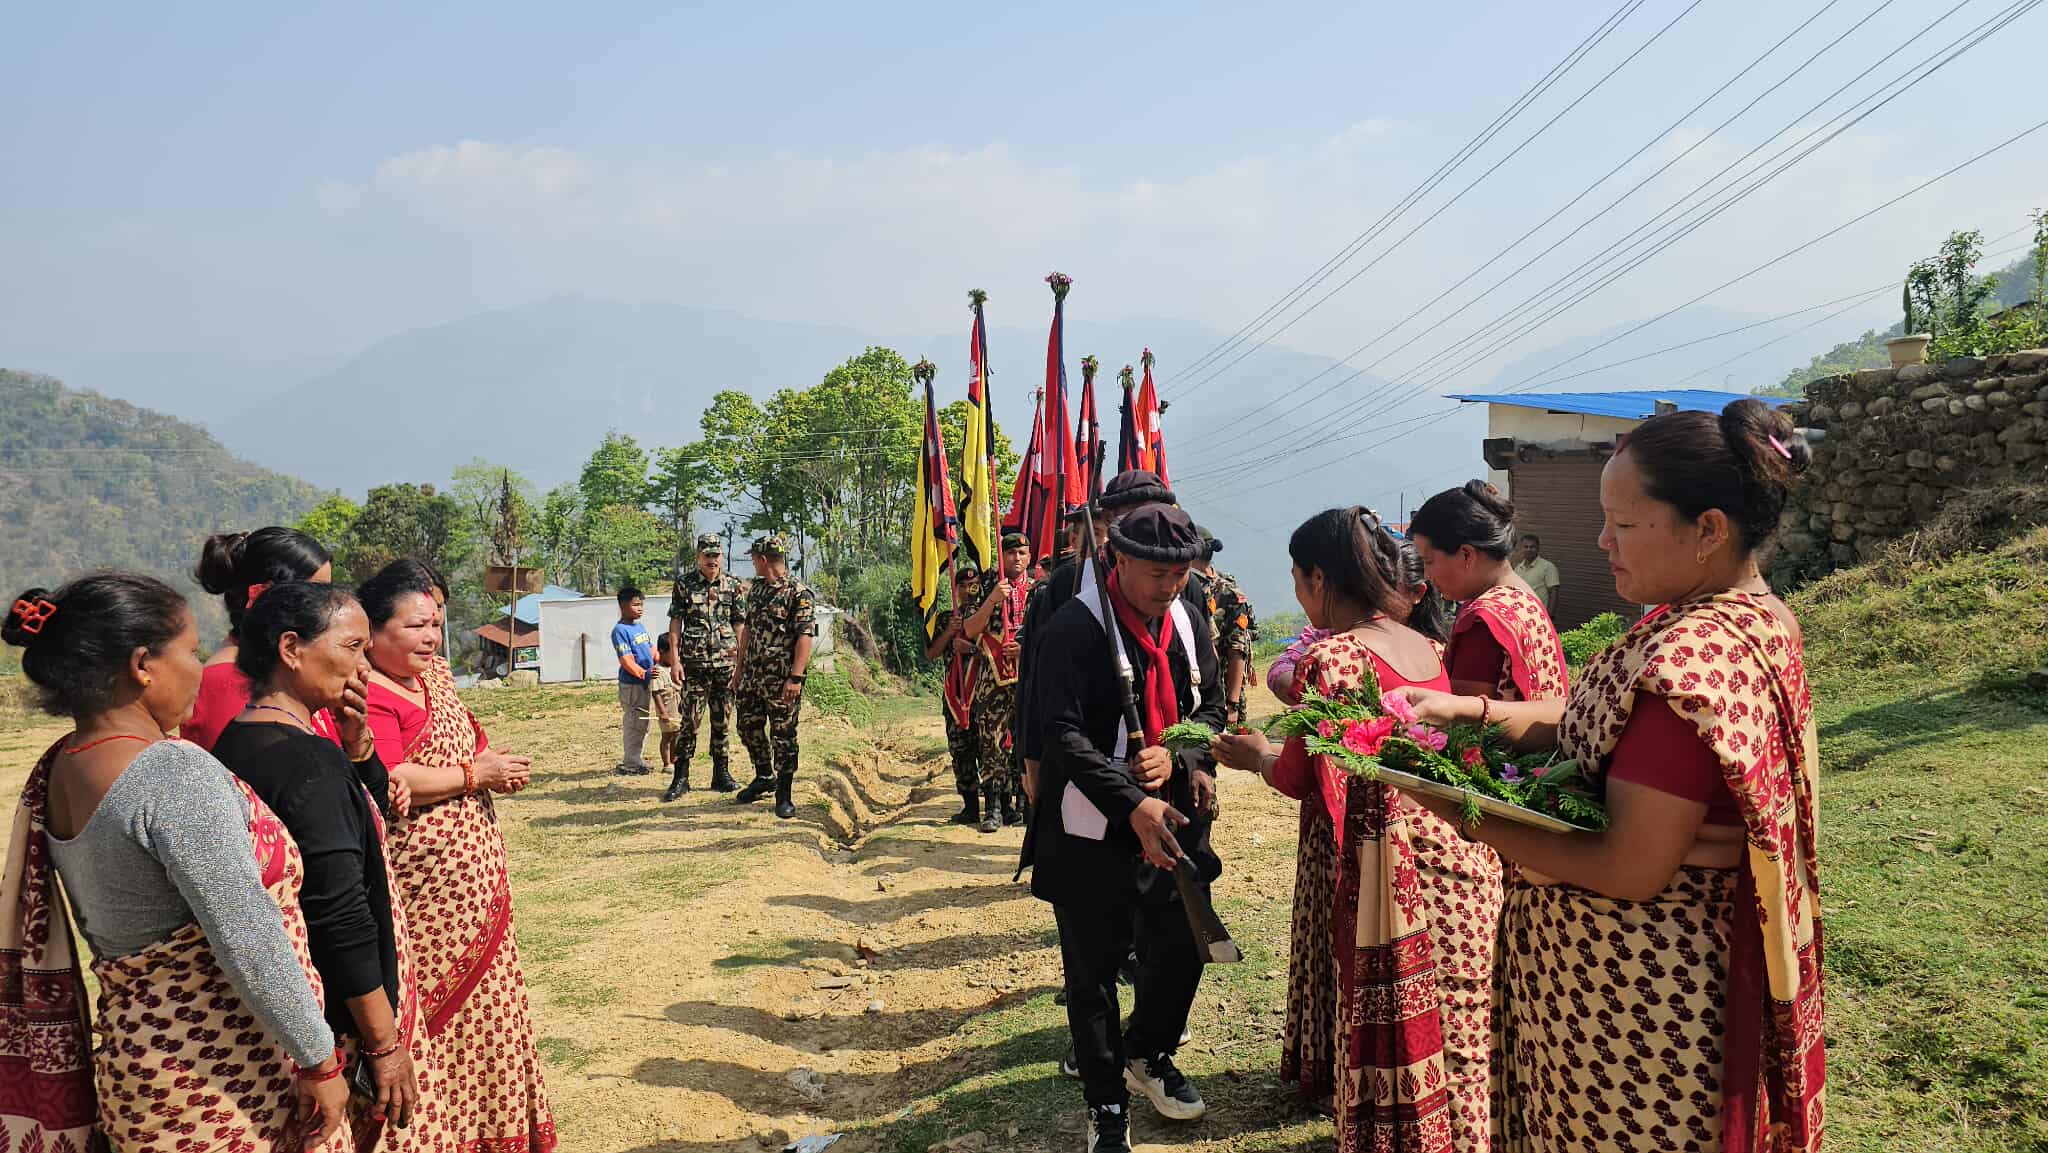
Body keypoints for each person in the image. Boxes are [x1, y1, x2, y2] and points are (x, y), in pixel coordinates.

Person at [1391, 398, 1826, 1153]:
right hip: (1655, 984)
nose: (1602, 542)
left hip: (1633, 1014)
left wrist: (1462, 809)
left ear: (1708, 529)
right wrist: (1470, 711)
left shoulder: (1685, 664)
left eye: (1622, 524)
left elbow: (1629, 865)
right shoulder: (1750, 618)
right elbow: (1602, 715)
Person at [2, 573, 349, 1153]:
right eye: (190, 651)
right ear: (143, 665)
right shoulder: (171, 773)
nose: (201, 668)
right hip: (223, 1077)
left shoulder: (64, 764)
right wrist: (318, 1060)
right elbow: (246, 933)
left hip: (140, 1070)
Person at [1209, 508, 1496, 1151]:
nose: (1298, 595)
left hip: (1392, 878)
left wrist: (1255, 755)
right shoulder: (1430, 647)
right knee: (1455, 1039)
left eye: (1297, 579)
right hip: (1459, 863)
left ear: (1320, 577)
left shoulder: (1334, 659)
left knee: (1395, 1031)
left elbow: (1299, 776)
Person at [210, 583, 442, 1149]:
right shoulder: (306, 764)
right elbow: (340, 914)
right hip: (338, 1019)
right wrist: (384, 1045)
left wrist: (357, 747)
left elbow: (369, 818)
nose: (364, 667)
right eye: (353, 647)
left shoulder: (237, 741)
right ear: (292, 649)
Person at [1024, 505, 1224, 1153]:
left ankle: (1149, 1050)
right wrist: (1129, 802)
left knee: (1182, 945)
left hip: (1173, 818)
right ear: (1119, 558)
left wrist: (1181, 751)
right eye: (1158, 574)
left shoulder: (1190, 619)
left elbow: (1213, 707)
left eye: (1180, 573)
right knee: (1093, 972)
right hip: (1092, 825)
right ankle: (1106, 1101)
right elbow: (1060, 734)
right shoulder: (1073, 628)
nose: (1170, 586)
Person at [359, 562, 557, 1153]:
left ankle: (496, 1130)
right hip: (425, 893)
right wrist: (475, 774)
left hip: (476, 882)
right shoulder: (369, 695)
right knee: (434, 1017)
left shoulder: (436, 678)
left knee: (492, 1013)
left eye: (436, 624)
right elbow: (390, 778)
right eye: (415, 626)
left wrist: (495, 766)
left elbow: (469, 739)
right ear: (372, 631)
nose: (430, 638)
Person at [1409, 480, 1568, 703]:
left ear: (1466, 555)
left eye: (1428, 561)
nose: (1427, 575)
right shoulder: (1525, 597)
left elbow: (1464, 719)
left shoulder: (1483, 620)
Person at [185, 526, 339, 751]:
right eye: (316, 595)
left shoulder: (278, 669)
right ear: (267, 595)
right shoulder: (229, 680)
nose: (326, 609)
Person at [731, 535, 817, 820]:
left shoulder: (798, 593)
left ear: (763, 559)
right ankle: (764, 775)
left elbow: (805, 636)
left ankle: (784, 793)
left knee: (783, 735)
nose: (753, 563)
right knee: (747, 726)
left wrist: (796, 678)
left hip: (782, 679)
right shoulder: (756, 590)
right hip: (753, 676)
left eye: (754, 558)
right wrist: (739, 668)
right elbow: (748, 629)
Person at [666, 532, 747, 798]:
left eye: (716, 555)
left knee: (722, 720)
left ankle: (721, 774)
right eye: (707, 555)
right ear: (698, 557)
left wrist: (741, 662)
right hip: (695, 664)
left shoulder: (733, 585)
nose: (712, 560)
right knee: (690, 721)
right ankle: (681, 777)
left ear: (721, 556)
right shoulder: (684, 584)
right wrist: (675, 660)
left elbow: (739, 624)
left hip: (726, 664)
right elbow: (676, 623)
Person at [962, 532, 1032, 831]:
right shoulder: (985, 585)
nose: (1016, 558)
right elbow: (969, 629)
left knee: (1027, 740)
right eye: (1011, 553)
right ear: (1002, 556)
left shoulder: (1039, 588)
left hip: (1028, 676)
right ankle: (993, 807)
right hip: (993, 678)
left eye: (1022, 553)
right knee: (991, 741)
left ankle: (1024, 803)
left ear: (1029, 556)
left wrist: (1026, 647)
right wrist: (992, 600)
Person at [924, 560, 986, 825]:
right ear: (956, 589)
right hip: (956, 695)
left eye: (975, 584)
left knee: (989, 750)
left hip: (983, 693)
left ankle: (997, 806)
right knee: (961, 752)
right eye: (964, 585)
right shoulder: (946, 619)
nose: (970, 589)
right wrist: (950, 632)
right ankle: (970, 807)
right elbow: (931, 653)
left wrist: (971, 649)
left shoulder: (988, 614)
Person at [1191, 526, 1257, 724]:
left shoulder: (1228, 593)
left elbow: (1237, 650)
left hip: (1222, 696)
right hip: (1195, 693)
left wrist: (1232, 705)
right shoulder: (1185, 586)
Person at [611, 586, 656, 776]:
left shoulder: (639, 627)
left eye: (641, 605)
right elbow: (626, 660)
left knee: (643, 723)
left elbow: (651, 650)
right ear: (623, 606)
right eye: (636, 605)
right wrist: (643, 674)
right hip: (632, 684)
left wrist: (663, 663)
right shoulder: (620, 630)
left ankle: (637, 759)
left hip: (644, 682)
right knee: (634, 722)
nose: (640, 608)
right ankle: (630, 764)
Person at [651, 632, 685, 794]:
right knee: (667, 737)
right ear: (663, 652)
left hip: (677, 709)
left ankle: (674, 759)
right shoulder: (657, 672)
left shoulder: (675, 668)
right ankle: (666, 763)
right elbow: (656, 693)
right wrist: (662, 712)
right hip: (666, 709)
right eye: (673, 653)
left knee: (677, 735)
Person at [1512, 532, 1561, 614]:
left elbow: (1554, 592)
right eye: (1526, 547)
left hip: (1539, 614)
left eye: (1532, 547)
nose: (1528, 549)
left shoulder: (1548, 567)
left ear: (1538, 548)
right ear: (1521, 548)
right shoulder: (1518, 568)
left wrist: (1550, 614)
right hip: (1521, 613)